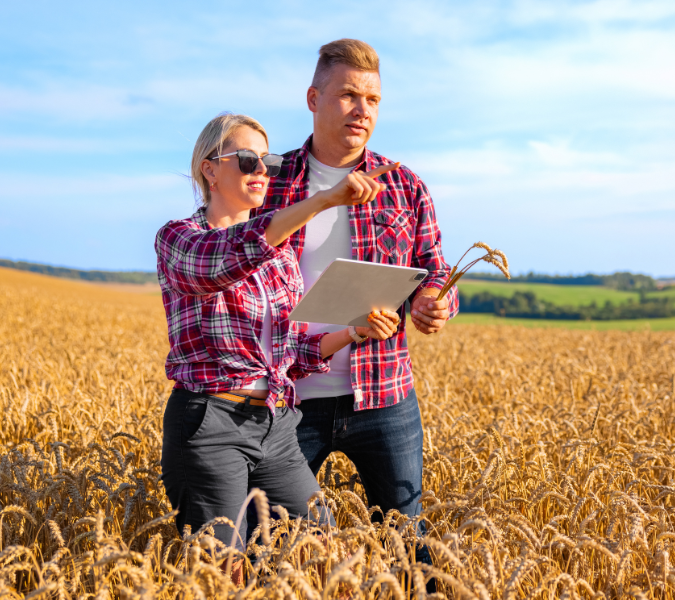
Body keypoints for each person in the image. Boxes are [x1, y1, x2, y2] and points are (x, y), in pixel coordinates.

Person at [156, 113, 401, 566]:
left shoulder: (281, 255)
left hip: (277, 425)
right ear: (209, 169)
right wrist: (324, 201)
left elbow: (289, 352)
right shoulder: (179, 240)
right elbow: (226, 258)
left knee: (322, 559)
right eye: (247, 159)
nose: (262, 170)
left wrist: (352, 331)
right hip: (209, 425)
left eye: (266, 160)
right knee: (223, 574)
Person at [256, 39, 459, 525]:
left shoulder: (404, 183)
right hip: (288, 399)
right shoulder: (269, 183)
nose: (362, 110)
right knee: (278, 547)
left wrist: (435, 301)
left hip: (386, 395)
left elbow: (434, 268)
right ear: (313, 99)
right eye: (348, 95)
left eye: (372, 100)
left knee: (407, 545)